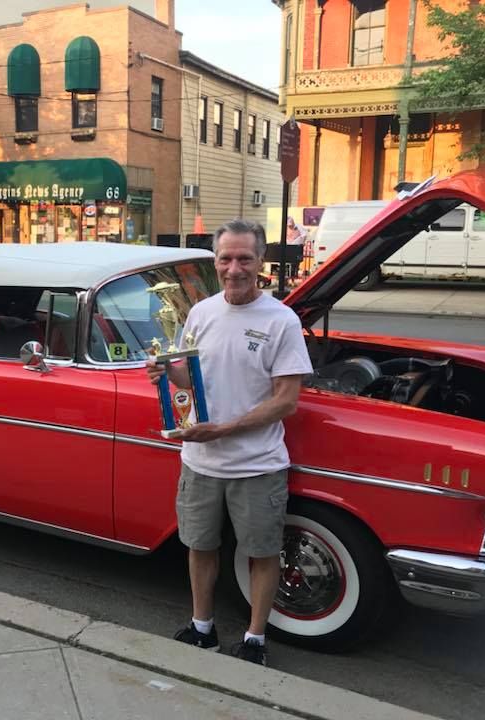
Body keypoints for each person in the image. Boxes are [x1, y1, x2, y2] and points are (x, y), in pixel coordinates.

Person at [147, 219, 313, 666]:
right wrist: (167, 374)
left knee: (260, 552)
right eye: (226, 258)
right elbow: (193, 379)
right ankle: (202, 628)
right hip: (200, 461)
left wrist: (221, 430)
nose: (234, 268)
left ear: (261, 262)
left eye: (244, 259)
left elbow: (286, 401)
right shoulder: (200, 312)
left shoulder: (282, 321)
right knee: (199, 546)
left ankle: (255, 639)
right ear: (215, 262)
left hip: (257, 465)